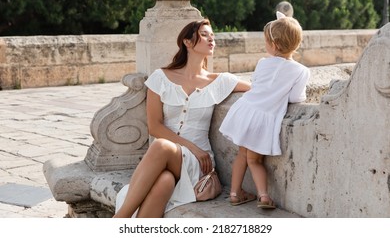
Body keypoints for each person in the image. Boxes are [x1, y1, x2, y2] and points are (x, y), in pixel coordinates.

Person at [113, 19, 251, 218]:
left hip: (199, 166)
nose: (211, 39)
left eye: (212, 36)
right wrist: (193, 147)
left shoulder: (220, 81)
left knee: (161, 146)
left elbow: (260, 91)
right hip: (172, 159)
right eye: (205, 35)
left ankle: (118, 220)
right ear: (187, 42)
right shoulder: (160, 78)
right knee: (164, 181)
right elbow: (154, 126)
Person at [219, 14, 310, 209]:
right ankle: (264, 196)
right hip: (264, 117)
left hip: (246, 110)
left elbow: (257, 84)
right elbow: (296, 98)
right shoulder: (301, 71)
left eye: (266, 41)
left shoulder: (262, 63)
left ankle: (235, 194)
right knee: (255, 160)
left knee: (242, 155)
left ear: (274, 44)